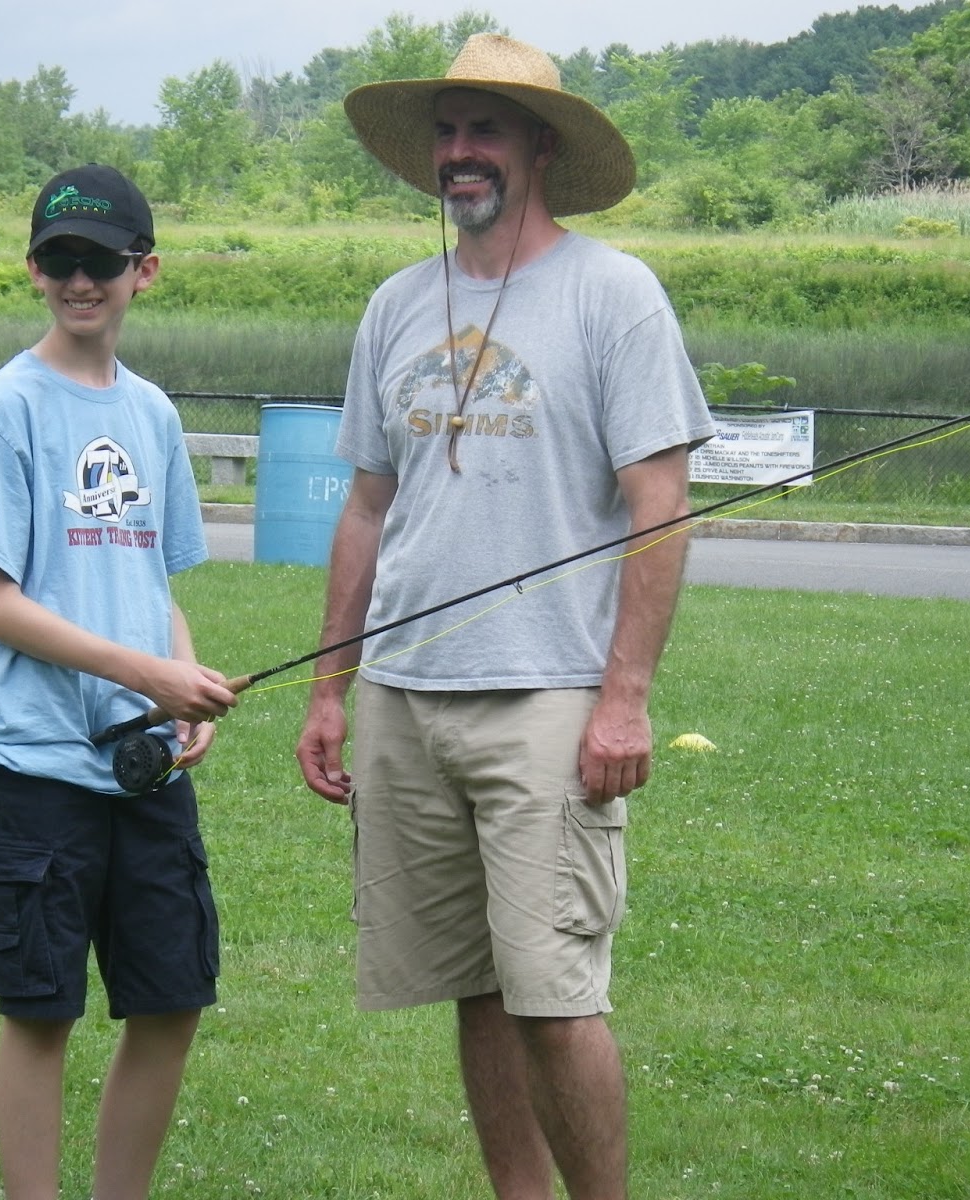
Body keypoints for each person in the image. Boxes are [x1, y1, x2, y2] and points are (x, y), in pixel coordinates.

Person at [294, 35, 717, 1200]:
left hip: (546, 699)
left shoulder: (613, 296)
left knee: (554, 997)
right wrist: (330, 688)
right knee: (475, 989)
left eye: (484, 127)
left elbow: (660, 505)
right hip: (405, 700)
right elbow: (366, 508)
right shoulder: (395, 305)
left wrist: (623, 698)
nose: (460, 151)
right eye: (445, 130)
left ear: (539, 145)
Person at [0, 163, 237, 1200]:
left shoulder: (152, 414)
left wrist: (180, 683)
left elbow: (154, 580)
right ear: (34, 270)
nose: (80, 280)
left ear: (142, 272)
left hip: (142, 763)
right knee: (41, 1009)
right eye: (59, 259)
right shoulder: (8, 407)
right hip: (34, 760)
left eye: (101, 262)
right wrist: (144, 672)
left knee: (171, 998)